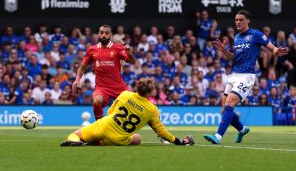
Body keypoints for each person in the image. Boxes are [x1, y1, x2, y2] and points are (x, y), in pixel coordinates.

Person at [204, 10, 289, 144]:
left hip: (247, 75)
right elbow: (233, 57)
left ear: (248, 21)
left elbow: (271, 48)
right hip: (234, 75)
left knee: (230, 101)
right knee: (224, 109)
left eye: (241, 19)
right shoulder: (237, 37)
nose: (238, 22)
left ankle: (218, 136)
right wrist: (223, 50)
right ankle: (242, 129)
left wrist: (275, 50)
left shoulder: (255, 34)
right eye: (236, 20)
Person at [61, 78, 194, 146]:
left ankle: (77, 141)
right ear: (148, 93)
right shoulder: (152, 109)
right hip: (118, 139)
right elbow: (161, 131)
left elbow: (110, 112)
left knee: (75, 134)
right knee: (137, 138)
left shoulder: (125, 94)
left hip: (104, 125)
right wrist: (178, 141)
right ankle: (100, 142)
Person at [72, 24, 136, 120]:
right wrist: (77, 80)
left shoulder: (118, 48)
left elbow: (132, 62)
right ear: (98, 34)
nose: (103, 35)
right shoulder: (92, 50)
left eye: (106, 33)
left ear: (111, 34)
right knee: (97, 101)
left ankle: (126, 130)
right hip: (102, 87)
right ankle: (100, 126)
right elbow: (82, 67)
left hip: (118, 86)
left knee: (131, 106)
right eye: (101, 33)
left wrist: (129, 54)